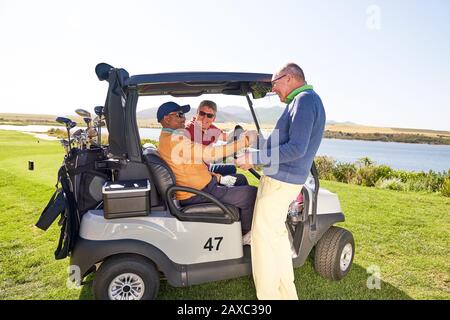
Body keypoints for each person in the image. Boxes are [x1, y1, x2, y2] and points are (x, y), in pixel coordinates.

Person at [236, 63, 326, 299]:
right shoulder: (306, 100)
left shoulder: (304, 101)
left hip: (280, 182)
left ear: (289, 78)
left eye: (274, 84)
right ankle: (286, 294)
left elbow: (296, 149)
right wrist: (257, 142)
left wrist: (254, 158)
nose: (273, 90)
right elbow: (285, 143)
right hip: (284, 179)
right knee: (276, 238)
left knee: (262, 240)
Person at [157, 101, 258, 239]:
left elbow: (195, 166)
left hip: (201, 185)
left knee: (240, 179)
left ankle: (237, 224)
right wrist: (245, 141)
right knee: (251, 193)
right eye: (179, 115)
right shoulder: (177, 139)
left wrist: (216, 177)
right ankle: (245, 235)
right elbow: (210, 154)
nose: (184, 118)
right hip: (197, 192)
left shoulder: (171, 137)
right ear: (167, 118)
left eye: (184, 115)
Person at [185, 100, 247, 186]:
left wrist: (240, 132)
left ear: (213, 118)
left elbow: (226, 136)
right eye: (202, 114)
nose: (205, 119)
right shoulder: (188, 130)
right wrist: (216, 176)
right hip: (196, 172)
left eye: (209, 116)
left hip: (206, 166)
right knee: (241, 179)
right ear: (196, 113)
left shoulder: (210, 128)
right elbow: (188, 167)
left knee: (231, 168)